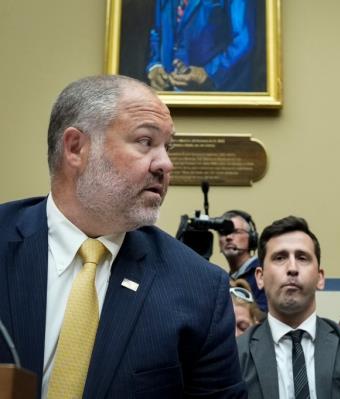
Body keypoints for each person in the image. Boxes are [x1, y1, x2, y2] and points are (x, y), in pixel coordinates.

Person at [0, 75, 246, 398]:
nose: (166, 164)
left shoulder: (199, 289)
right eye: (146, 142)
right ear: (76, 148)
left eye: (167, 147)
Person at [237, 216, 340, 399]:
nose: (292, 268)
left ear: (320, 278)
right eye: (280, 258)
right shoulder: (236, 355)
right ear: (260, 277)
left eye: (302, 258)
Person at [146, 0, 265, 92]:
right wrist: (155, 65)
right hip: (169, 97)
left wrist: (209, 73)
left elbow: (243, 41)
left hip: (217, 99)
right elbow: (157, 30)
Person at [219, 209, 267, 311]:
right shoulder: (224, 279)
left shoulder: (262, 271)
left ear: (252, 239)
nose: (228, 237)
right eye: (223, 233)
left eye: (235, 232)